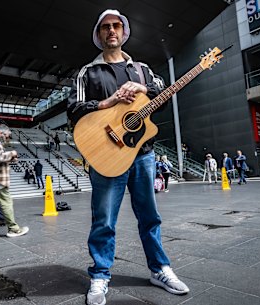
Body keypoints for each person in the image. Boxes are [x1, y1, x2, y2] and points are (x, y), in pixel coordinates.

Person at [67, 9, 189, 305]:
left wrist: (143, 88)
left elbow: (162, 94)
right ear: (99, 35)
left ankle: (159, 269)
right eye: (106, 27)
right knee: (104, 220)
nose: (111, 31)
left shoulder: (142, 70)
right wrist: (109, 101)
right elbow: (73, 109)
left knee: (150, 217)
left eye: (116, 26)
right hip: (107, 157)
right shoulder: (88, 72)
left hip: (143, 155)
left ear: (124, 32)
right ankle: (100, 274)